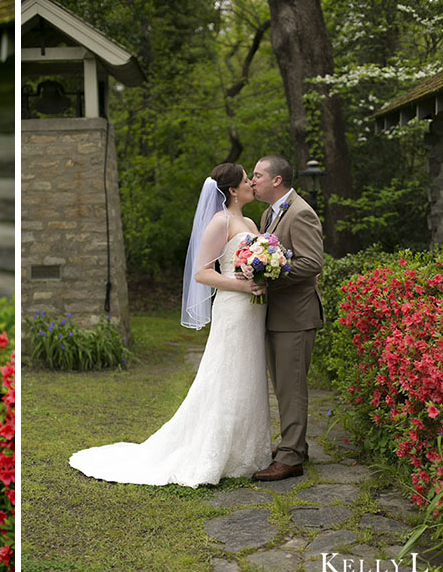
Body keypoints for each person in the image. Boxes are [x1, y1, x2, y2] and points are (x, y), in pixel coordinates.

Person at [69, 163, 272, 487]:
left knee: (249, 375)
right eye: (247, 180)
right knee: (226, 376)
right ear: (232, 190)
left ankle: (248, 452)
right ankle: (215, 453)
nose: (252, 184)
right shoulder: (219, 222)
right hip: (234, 309)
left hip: (253, 310)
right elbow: (202, 273)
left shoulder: (248, 221)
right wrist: (244, 285)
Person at [249, 155, 324, 481]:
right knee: (282, 385)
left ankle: (291, 458)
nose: (253, 182)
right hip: (276, 314)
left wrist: (272, 274)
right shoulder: (269, 213)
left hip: (296, 315)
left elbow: (312, 263)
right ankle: (295, 444)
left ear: (276, 180)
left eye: (257, 176)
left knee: (292, 387)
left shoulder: (301, 213)